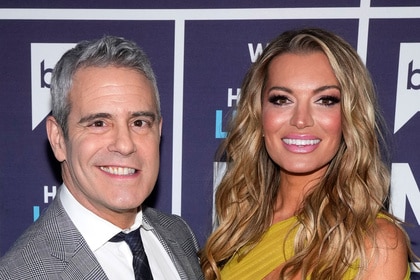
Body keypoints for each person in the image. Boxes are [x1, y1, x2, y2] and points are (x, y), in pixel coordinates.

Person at [201, 28, 416, 279]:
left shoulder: (377, 241)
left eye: (325, 100)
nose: (301, 120)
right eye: (282, 99)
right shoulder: (238, 229)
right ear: (259, 116)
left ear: (349, 118)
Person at [0, 35, 203, 280]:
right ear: (58, 139)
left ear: (159, 131)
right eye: (99, 123)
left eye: (139, 123)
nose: (125, 145)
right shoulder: (20, 273)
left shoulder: (179, 235)